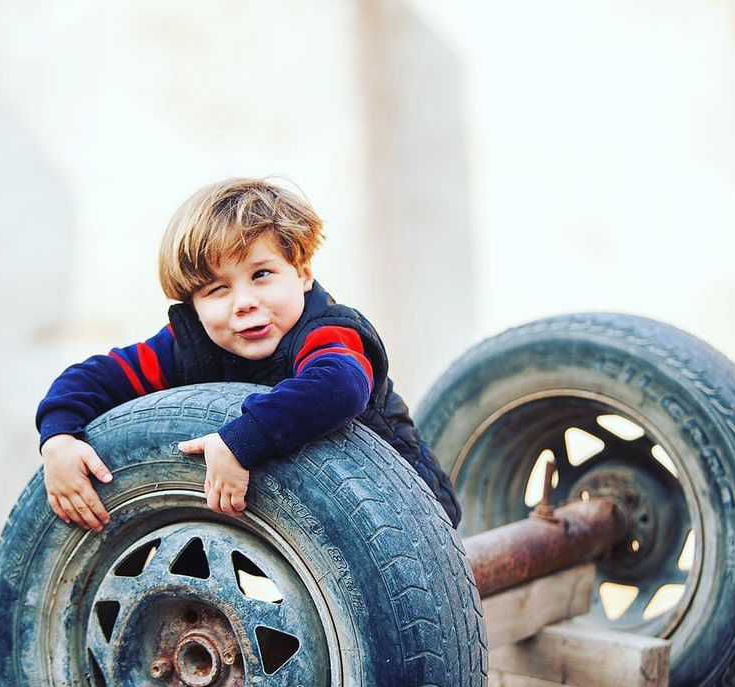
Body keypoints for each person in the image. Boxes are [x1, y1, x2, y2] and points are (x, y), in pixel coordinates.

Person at [36, 178, 461, 532]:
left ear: (303, 274)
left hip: (405, 519)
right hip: (297, 534)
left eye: (262, 275)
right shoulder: (190, 344)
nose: (243, 302)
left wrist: (239, 442)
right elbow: (96, 377)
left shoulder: (327, 332)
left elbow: (339, 387)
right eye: (217, 289)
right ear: (194, 306)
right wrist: (58, 439)